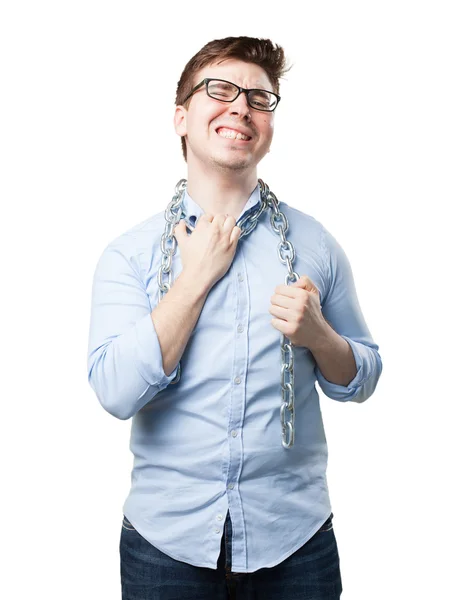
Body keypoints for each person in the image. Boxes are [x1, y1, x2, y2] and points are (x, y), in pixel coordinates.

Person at [87, 35, 383, 600]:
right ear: (181, 117)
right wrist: (195, 278)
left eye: (259, 97)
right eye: (219, 90)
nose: (241, 106)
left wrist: (319, 336)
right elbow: (116, 392)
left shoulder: (315, 245)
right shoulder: (130, 254)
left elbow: (364, 376)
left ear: (268, 125)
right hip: (165, 547)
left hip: (295, 541)